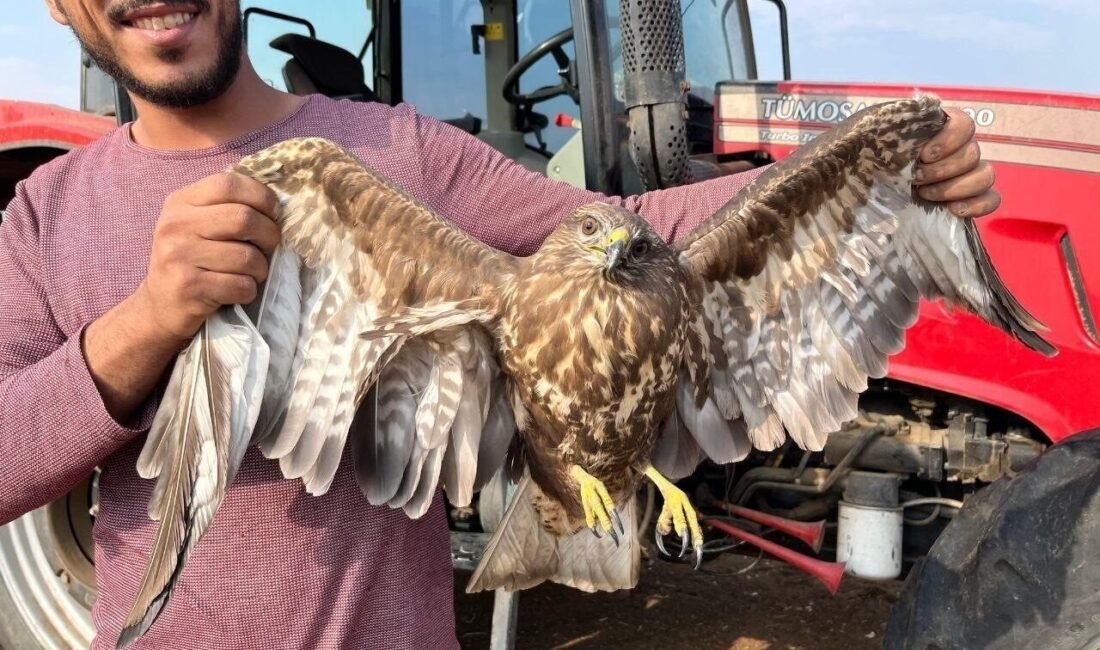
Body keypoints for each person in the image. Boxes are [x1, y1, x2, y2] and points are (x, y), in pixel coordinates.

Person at [0, 1, 998, 648]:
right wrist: (147, 321)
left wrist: (866, 168)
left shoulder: (400, 149)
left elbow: (622, 234)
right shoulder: (42, 213)